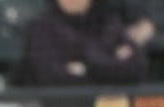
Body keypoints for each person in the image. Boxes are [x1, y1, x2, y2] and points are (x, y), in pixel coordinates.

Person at [20, 0, 148, 86]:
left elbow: (136, 66)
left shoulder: (108, 23)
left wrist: (86, 67)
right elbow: (50, 77)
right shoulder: (40, 27)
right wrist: (110, 60)